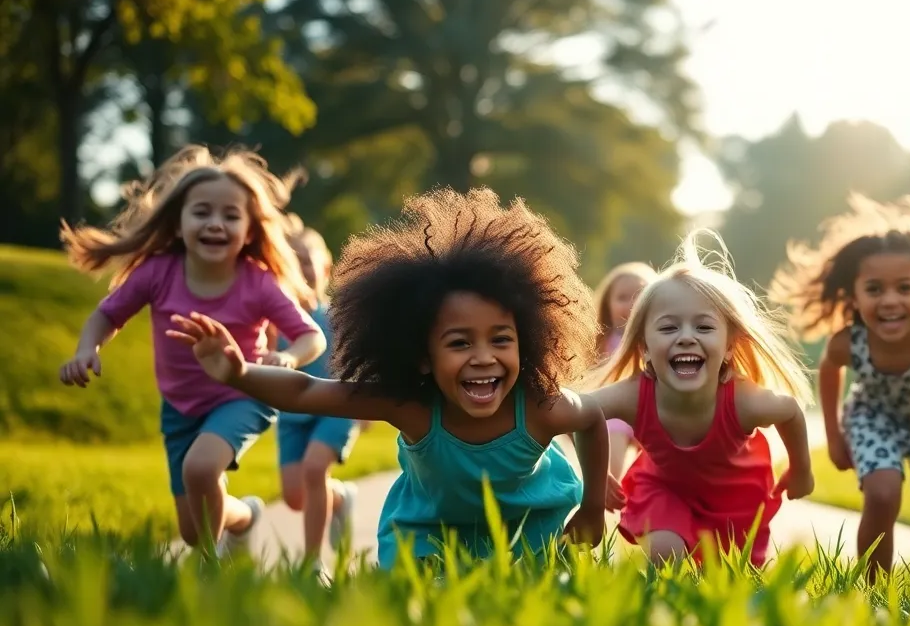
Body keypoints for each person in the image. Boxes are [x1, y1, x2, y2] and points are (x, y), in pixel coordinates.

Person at [168, 187, 612, 569]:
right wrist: (238, 372)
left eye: (501, 340)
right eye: (459, 343)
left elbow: (591, 420)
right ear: (421, 357)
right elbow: (306, 390)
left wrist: (592, 505)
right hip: (428, 536)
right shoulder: (414, 408)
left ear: (528, 340)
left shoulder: (539, 406)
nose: (483, 358)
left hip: (533, 528)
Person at [59, 145, 323, 557]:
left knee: (201, 469)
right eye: (202, 212)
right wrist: (86, 349)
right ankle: (246, 518)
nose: (215, 223)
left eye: (230, 216)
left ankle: (209, 579)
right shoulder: (158, 273)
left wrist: (287, 358)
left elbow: (311, 337)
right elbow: (107, 316)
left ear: (250, 231)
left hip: (243, 393)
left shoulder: (258, 283)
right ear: (179, 224)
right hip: (180, 406)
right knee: (193, 530)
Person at [772, 194, 910, 588]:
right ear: (854, 295)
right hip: (875, 417)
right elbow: (829, 370)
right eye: (874, 289)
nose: (890, 301)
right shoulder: (849, 341)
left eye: (904, 288)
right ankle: (875, 595)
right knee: (881, 495)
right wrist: (834, 433)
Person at [586, 231, 815, 568]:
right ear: (644, 347)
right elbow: (576, 412)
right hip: (664, 488)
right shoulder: (635, 394)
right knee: (665, 553)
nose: (686, 338)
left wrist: (802, 470)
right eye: (668, 329)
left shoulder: (744, 401)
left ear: (730, 346)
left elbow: (790, 412)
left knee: (726, 577)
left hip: (735, 498)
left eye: (704, 328)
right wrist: (595, 475)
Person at [272, 217, 361, 573]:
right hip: (292, 414)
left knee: (313, 470)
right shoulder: (274, 319)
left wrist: (367, 406)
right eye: (293, 262)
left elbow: (359, 359)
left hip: (336, 408)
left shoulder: (337, 316)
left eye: (308, 261)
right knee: (296, 497)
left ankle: (312, 564)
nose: (302, 270)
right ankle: (340, 498)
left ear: (326, 268)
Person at [592, 262, 657, 478]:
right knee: (612, 466)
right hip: (616, 414)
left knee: (655, 465)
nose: (631, 305)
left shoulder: (660, 340)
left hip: (652, 413)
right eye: (622, 298)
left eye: (639, 296)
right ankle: (607, 495)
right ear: (607, 306)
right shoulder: (603, 342)